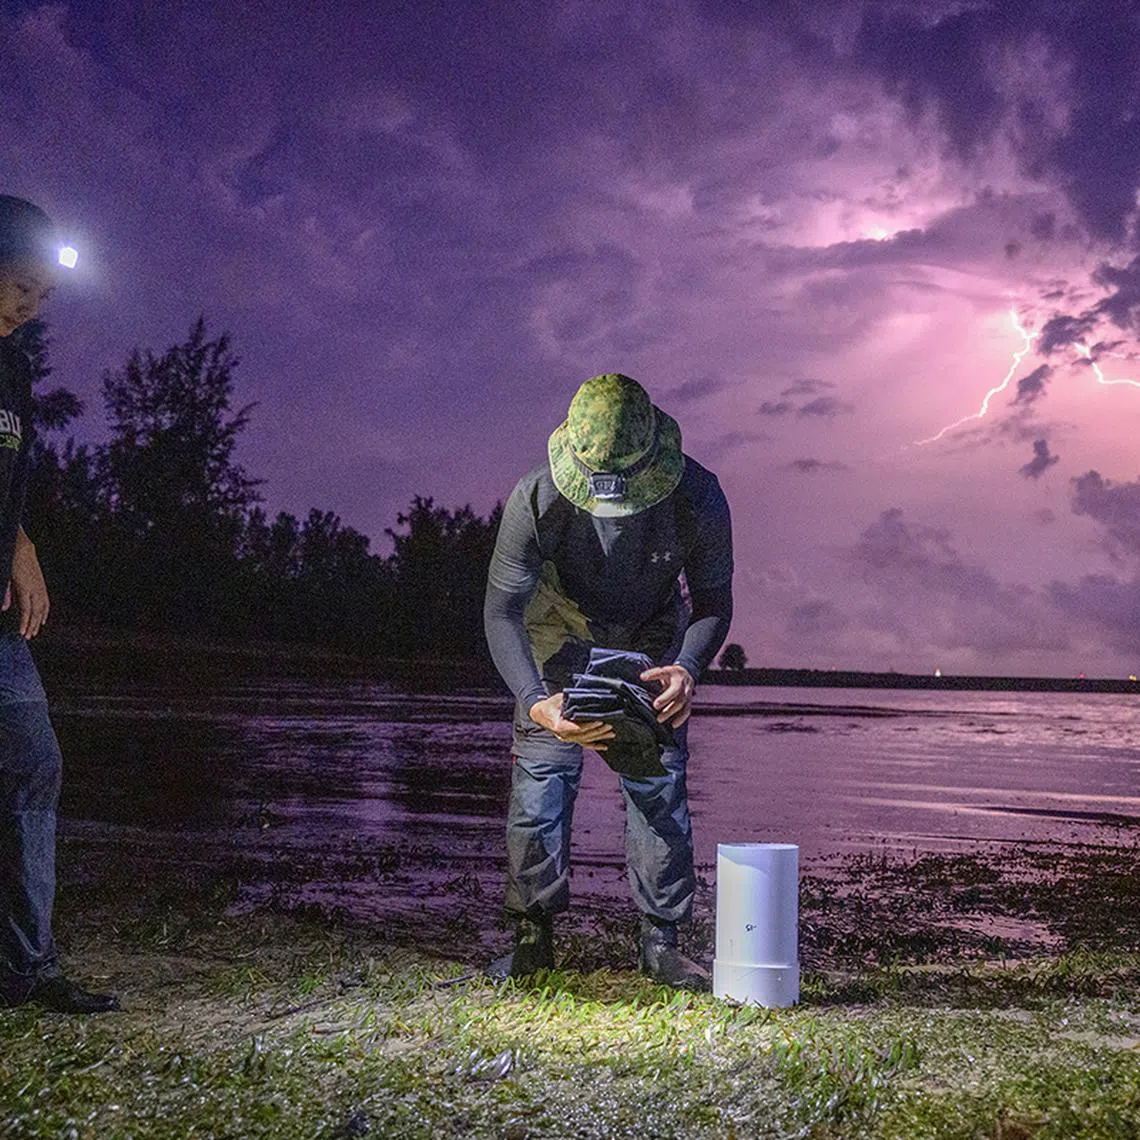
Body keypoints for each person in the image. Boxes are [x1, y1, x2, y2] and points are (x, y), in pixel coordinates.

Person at [484, 373, 733, 988]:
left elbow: (712, 603)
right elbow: (500, 611)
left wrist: (689, 668)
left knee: (658, 784)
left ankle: (661, 942)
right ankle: (531, 938)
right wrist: (536, 702)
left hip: (649, 643)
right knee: (540, 785)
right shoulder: (535, 499)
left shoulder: (698, 498)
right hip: (553, 638)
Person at [0, 195, 118, 1014]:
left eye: (42, 298)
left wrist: (21, 542)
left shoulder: (12, 365)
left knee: (34, 760)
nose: (28, 308)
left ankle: (25, 965)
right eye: (20, 287)